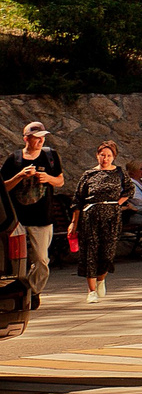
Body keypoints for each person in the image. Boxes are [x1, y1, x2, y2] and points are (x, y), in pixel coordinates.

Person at [4, 122, 62, 299]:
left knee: (41, 259)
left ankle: (32, 291)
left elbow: (60, 181)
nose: (40, 140)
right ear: (26, 138)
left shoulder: (50, 156)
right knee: (14, 260)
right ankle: (19, 291)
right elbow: (3, 187)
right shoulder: (14, 159)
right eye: (37, 137)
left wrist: (48, 178)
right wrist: (20, 175)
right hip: (17, 218)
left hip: (42, 217)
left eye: (42, 137)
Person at [71, 141, 127, 303]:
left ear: (114, 157)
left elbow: (129, 190)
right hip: (90, 217)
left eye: (109, 155)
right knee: (90, 253)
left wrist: (118, 203)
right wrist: (74, 223)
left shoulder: (119, 173)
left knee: (107, 253)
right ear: (97, 155)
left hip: (111, 217)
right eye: (103, 155)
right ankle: (91, 290)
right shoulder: (88, 175)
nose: (105, 158)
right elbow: (78, 199)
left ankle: (101, 278)